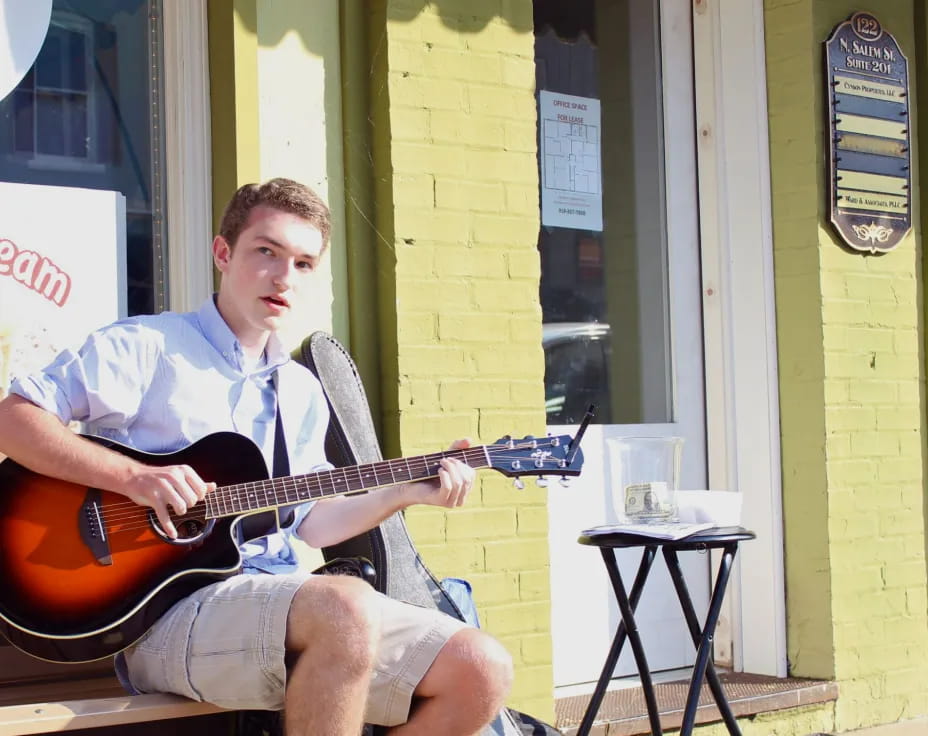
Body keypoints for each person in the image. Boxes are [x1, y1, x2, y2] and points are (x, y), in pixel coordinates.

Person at [0, 178, 513, 735]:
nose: (282, 277)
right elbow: (14, 418)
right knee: (346, 604)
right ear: (224, 253)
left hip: (291, 606)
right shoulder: (147, 349)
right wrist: (135, 477)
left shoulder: (300, 390)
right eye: (266, 252)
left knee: (480, 668)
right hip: (165, 616)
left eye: (302, 263)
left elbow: (311, 524)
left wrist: (407, 491)